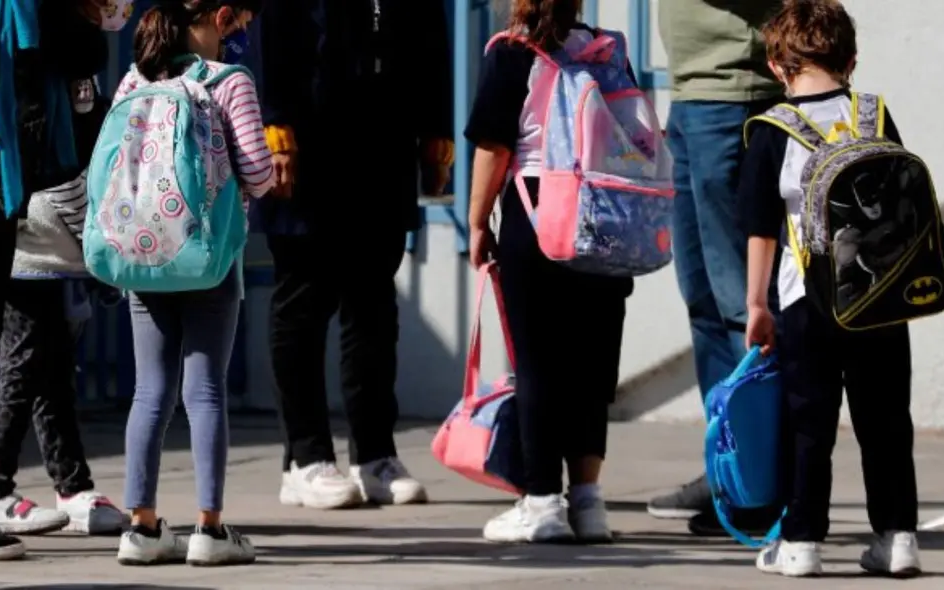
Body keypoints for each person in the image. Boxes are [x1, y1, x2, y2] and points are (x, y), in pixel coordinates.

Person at [742, 0, 920, 577]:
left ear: (776, 65)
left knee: (807, 422)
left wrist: (756, 304)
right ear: (851, 59)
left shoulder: (770, 131)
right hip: (880, 296)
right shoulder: (874, 113)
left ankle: (801, 543)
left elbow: (760, 228)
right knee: (886, 420)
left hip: (805, 301)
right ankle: (897, 539)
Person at [256, 0, 453, 509]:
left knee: (373, 303)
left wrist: (436, 131)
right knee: (304, 296)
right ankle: (305, 456)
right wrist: (274, 124)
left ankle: (375, 455)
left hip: (383, 137)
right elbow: (270, 32)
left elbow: (430, 37)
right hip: (308, 137)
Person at [0, 0, 128, 561]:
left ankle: (68, 482)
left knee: (50, 349)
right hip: (20, 190)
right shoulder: (27, 17)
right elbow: (58, 59)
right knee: (26, 348)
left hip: (34, 186)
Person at [464, 0, 635, 544]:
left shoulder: (511, 53)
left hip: (538, 213)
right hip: (605, 213)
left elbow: (494, 147)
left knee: (537, 363)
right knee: (589, 362)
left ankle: (541, 501)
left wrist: (474, 221)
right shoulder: (607, 52)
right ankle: (588, 502)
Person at [111, 0, 271, 566]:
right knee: (203, 391)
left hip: (142, 252)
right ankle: (209, 529)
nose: (248, 27)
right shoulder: (230, 82)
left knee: (148, 390)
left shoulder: (133, 79)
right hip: (207, 255)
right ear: (222, 15)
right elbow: (257, 170)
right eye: (246, 16)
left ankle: (142, 528)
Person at [647, 0, 786, 537]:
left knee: (742, 305)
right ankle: (729, 467)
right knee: (703, 300)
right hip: (693, 96)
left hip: (734, 95)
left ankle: (765, 483)